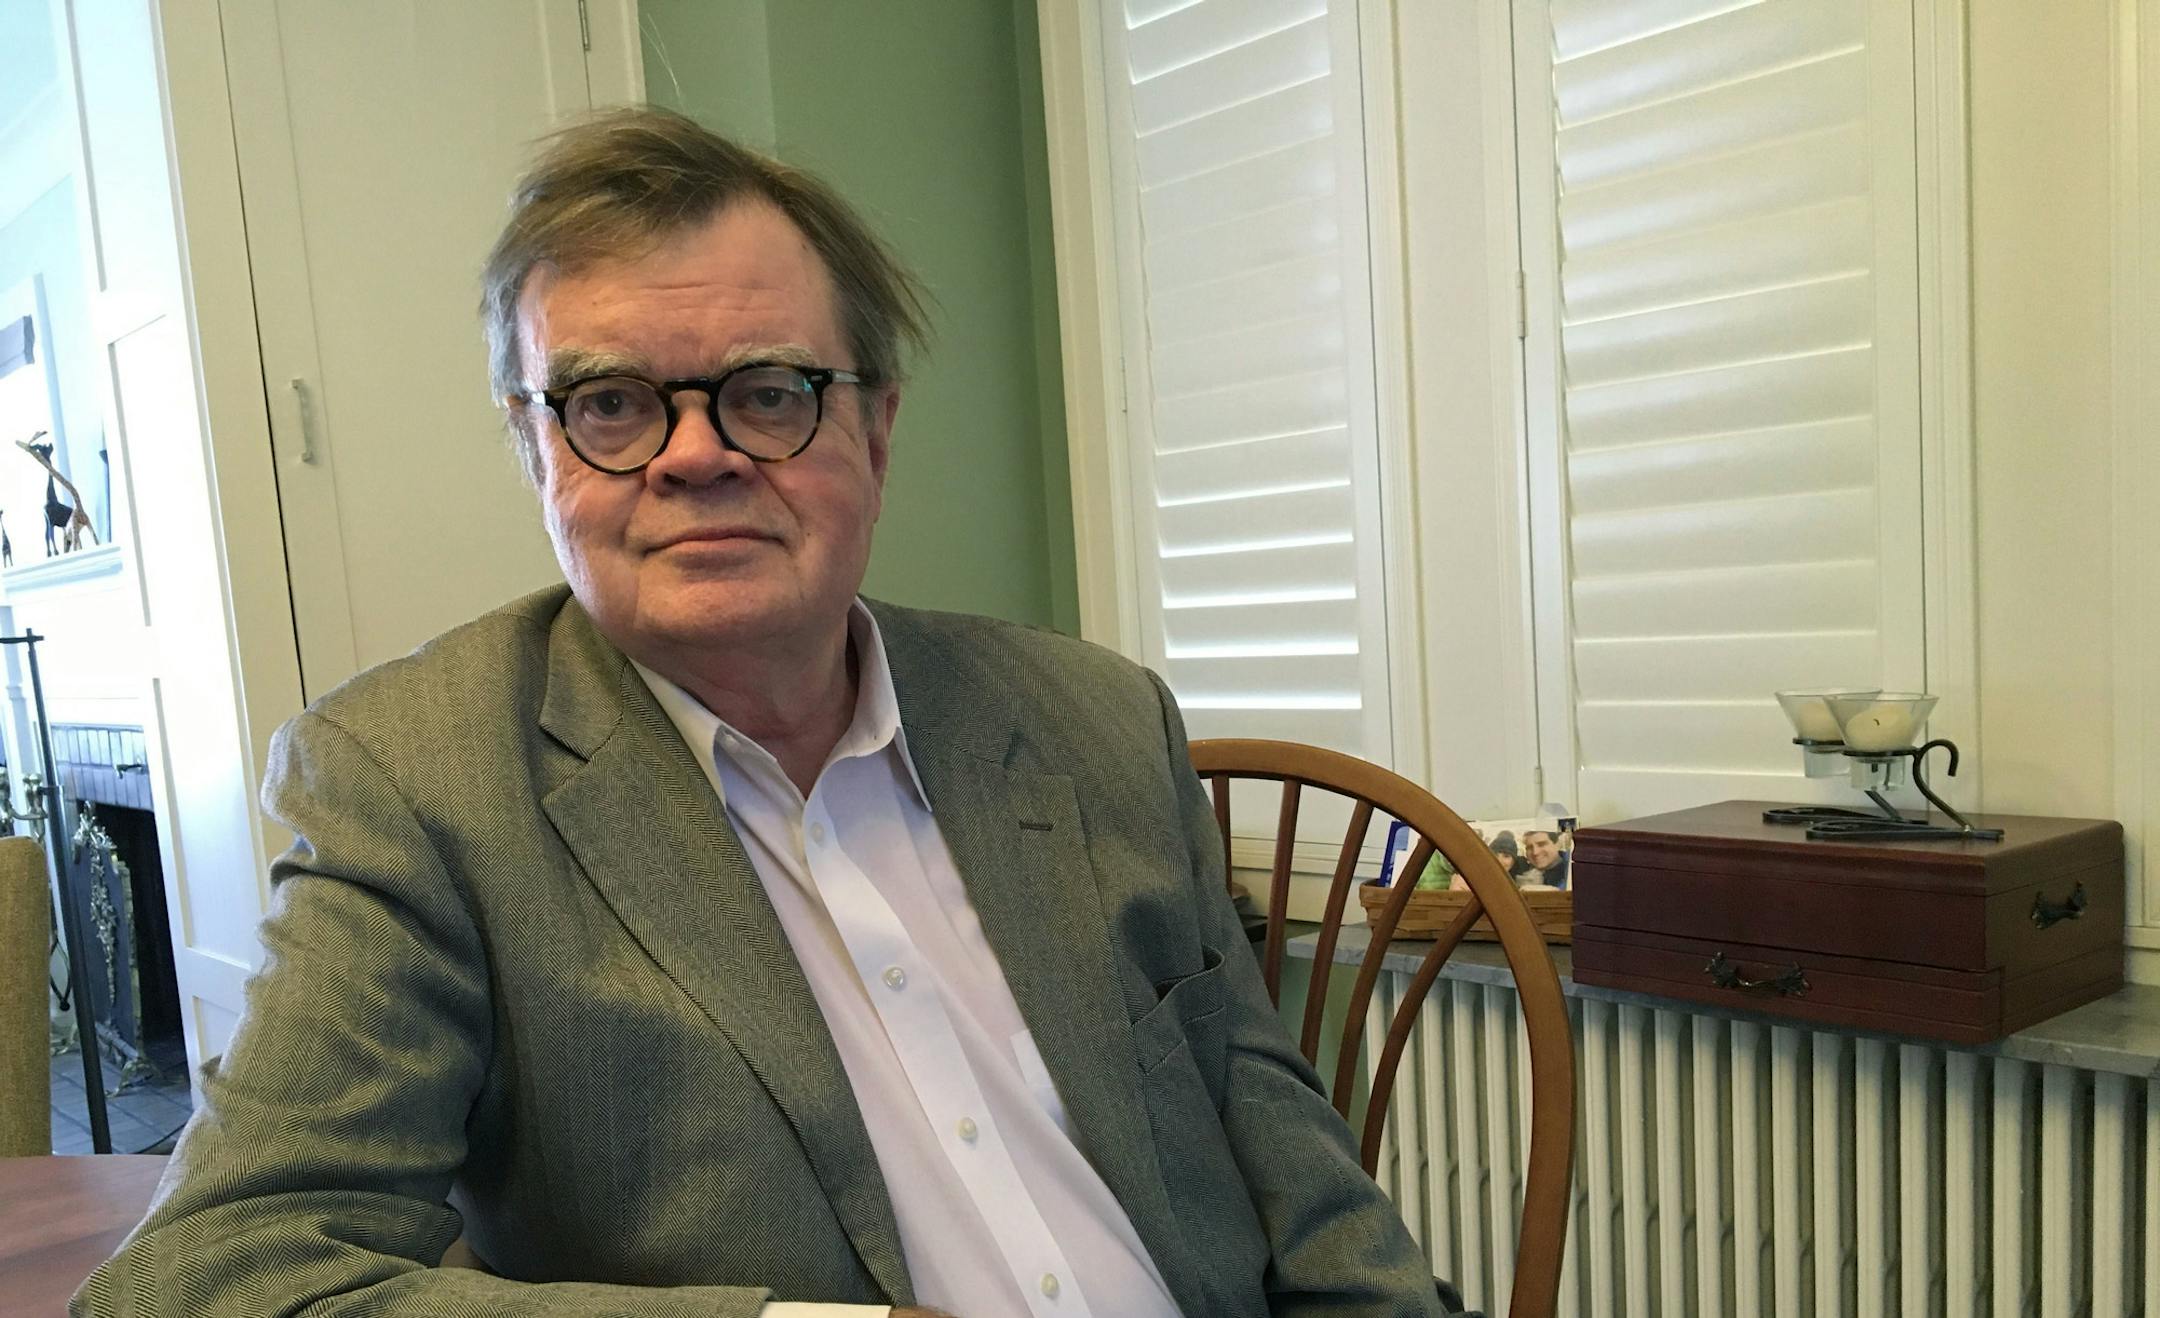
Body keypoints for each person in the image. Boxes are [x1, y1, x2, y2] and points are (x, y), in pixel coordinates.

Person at [75, 109, 1457, 1317]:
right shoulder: (415, 787)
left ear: (877, 424)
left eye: (767, 392)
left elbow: (1294, 1170)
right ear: (534, 448)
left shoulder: (1097, 719)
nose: (696, 456)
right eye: (610, 402)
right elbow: (212, 1281)